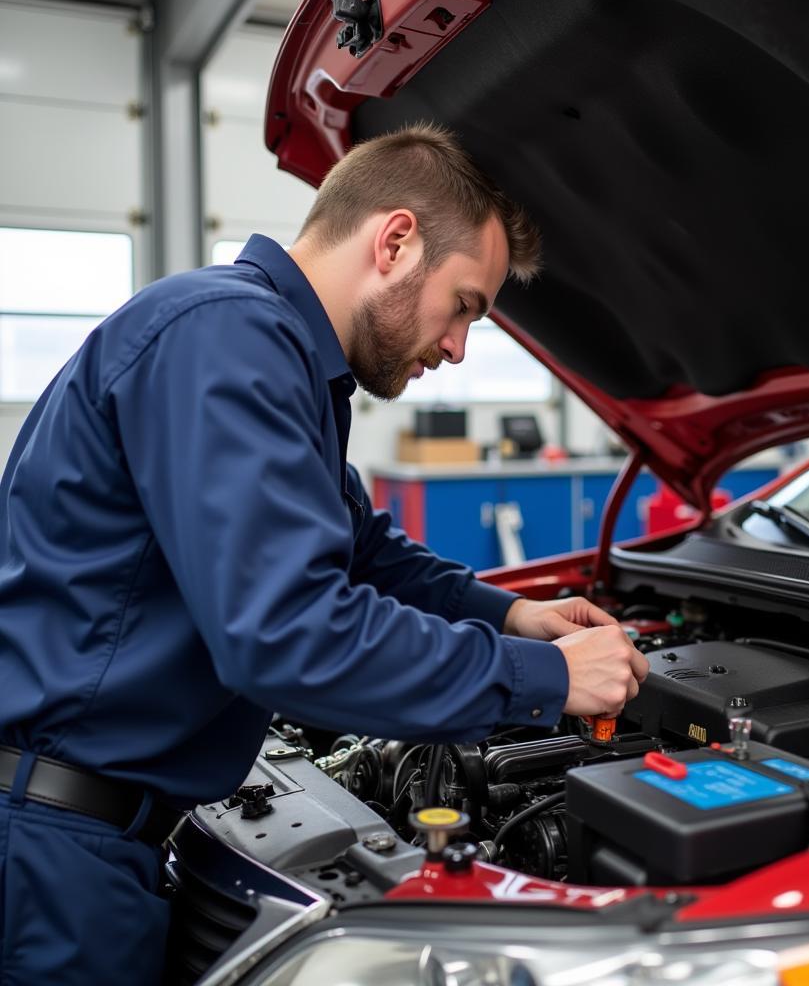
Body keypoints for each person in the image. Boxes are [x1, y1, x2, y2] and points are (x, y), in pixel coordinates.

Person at [0, 123, 648, 984]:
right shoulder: (229, 340)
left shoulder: (271, 354)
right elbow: (290, 634)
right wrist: (546, 681)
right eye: (464, 305)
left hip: (92, 834)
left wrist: (515, 615)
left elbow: (365, 551)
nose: (458, 348)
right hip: (57, 855)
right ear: (395, 241)